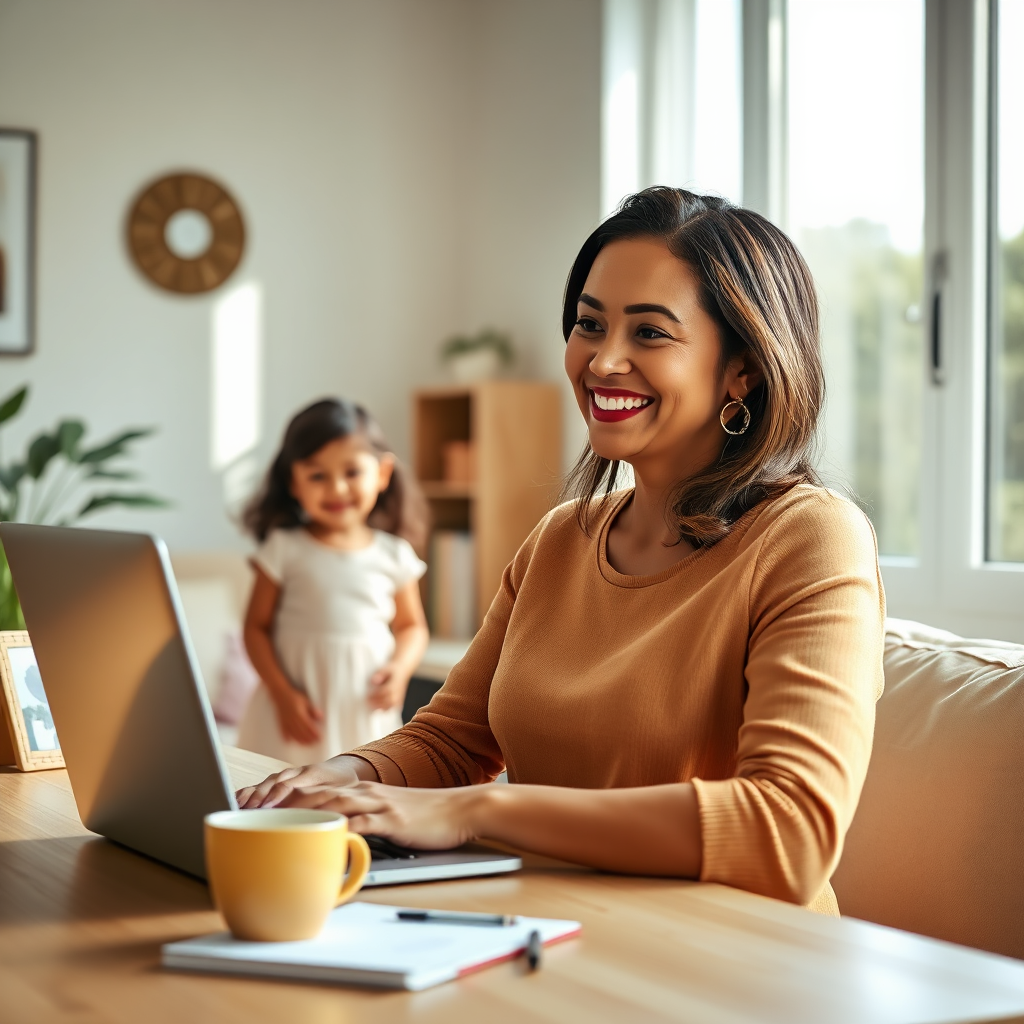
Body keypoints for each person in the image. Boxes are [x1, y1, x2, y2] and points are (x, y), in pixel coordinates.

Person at [237, 188, 885, 914]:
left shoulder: (811, 536)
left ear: (743, 370)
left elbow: (788, 834)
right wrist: (339, 780)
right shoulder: (558, 539)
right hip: (555, 926)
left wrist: (477, 813)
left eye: (649, 333)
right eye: (588, 324)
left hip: (737, 957)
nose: (603, 362)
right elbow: (453, 742)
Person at [235, 399, 430, 764]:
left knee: (358, 798)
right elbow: (255, 628)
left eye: (352, 472)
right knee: (275, 797)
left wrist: (401, 671)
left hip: (363, 711)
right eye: (317, 475)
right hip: (291, 711)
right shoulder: (283, 549)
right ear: (293, 482)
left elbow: (412, 627)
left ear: (383, 473)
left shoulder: (394, 555)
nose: (337, 489)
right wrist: (281, 694)